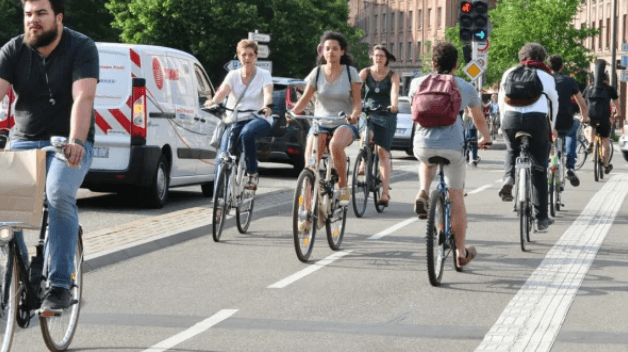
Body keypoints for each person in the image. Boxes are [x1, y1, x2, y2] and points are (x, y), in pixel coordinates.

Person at [0, 0, 98, 310]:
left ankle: (59, 284)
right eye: (28, 14)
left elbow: (83, 97)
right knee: (4, 201)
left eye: (41, 13)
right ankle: (18, 270)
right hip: (24, 139)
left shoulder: (81, 47)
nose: (33, 20)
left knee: (58, 192)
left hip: (67, 142)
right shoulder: (13, 50)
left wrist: (77, 141)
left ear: (58, 17)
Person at [409, 42, 491, 267]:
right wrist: (486, 138)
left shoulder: (417, 82)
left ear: (433, 63)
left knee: (426, 160)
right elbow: (479, 118)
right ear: (456, 64)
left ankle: (424, 191)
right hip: (452, 147)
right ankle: (460, 253)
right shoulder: (465, 86)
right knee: (456, 199)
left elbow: (414, 111)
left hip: (422, 144)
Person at [289, 30, 362, 229]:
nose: (330, 53)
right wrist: (292, 113)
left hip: (343, 121)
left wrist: (354, 115)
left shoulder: (350, 73)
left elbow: (357, 103)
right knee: (309, 166)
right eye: (327, 49)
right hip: (320, 121)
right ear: (322, 51)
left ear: (342, 52)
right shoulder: (317, 73)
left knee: (335, 145)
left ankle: (343, 186)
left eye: (335, 49)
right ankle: (307, 212)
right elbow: (304, 101)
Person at [497, 43, 558, 231]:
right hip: (536, 121)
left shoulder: (509, 73)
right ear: (542, 57)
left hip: (511, 119)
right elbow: (554, 103)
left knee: (511, 149)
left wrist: (502, 125)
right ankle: (541, 219)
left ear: (521, 57)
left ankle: (508, 178)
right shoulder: (546, 76)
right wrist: (553, 128)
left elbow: (501, 101)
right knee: (539, 169)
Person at [206, 39, 273, 191]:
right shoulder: (233, 75)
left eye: (250, 55)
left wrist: (266, 105)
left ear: (256, 56)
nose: (247, 58)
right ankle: (219, 201)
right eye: (244, 55)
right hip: (235, 119)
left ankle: (252, 173)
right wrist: (212, 102)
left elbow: (267, 93)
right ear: (238, 56)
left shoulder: (264, 75)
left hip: (258, 118)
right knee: (222, 156)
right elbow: (222, 93)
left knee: (247, 133)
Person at [358, 45, 400, 206]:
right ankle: (363, 161)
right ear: (372, 57)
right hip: (368, 111)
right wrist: (354, 104)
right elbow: (355, 89)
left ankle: (385, 193)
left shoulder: (393, 75)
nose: (378, 58)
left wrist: (394, 105)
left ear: (386, 58)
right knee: (366, 135)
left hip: (386, 113)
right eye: (376, 55)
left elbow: (394, 92)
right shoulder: (365, 73)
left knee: (382, 152)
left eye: (381, 56)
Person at [547, 54, 589, 186]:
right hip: (565, 119)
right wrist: (585, 116)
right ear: (563, 66)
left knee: (547, 137)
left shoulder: (544, 80)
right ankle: (570, 166)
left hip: (548, 120)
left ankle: (550, 161)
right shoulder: (570, 81)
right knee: (572, 132)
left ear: (548, 66)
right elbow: (582, 103)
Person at [582, 62, 622, 174]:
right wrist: (617, 114)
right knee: (605, 140)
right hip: (605, 118)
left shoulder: (588, 89)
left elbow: (584, 103)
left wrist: (583, 115)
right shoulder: (609, 89)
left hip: (592, 116)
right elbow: (617, 104)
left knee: (587, 128)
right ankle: (606, 164)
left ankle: (590, 142)